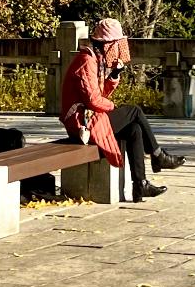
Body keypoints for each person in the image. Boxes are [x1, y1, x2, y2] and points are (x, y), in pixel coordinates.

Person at [59, 17, 186, 202]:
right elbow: (94, 100)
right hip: (81, 125)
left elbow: (100, 93)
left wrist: (115, 75)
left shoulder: (97, 59)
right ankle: (158, 155)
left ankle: (140, 185)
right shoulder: (87, 61)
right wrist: (113, 108)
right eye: (116, 44)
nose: (119, 48)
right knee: (134, 111)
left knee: (134, 130)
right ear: (107, 44)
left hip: (92, 118)